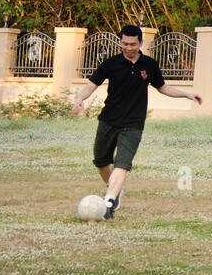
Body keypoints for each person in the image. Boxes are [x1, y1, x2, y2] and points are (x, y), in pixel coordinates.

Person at [71, 25, 201, 219]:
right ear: (120, 42)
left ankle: (109, 203)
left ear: (140, 43)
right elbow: (92, 85)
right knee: (100, 160)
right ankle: (115, 188)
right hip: (109, 120)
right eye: (125, 43)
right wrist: (80, 99)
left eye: (133, 44)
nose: (128, 47)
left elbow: (163, 88)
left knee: (122, 163)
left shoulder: (149, 65)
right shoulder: (111, 63)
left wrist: (187, 94)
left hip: (133, 124)